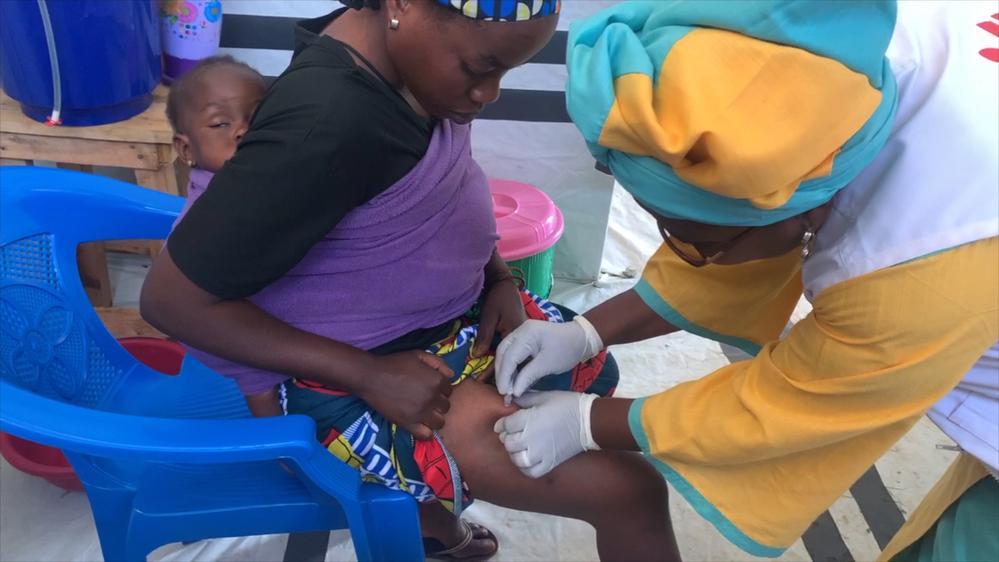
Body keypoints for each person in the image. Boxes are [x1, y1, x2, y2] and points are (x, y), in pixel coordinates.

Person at [141, 0, 678, 560]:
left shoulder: (402, 65)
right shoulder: (328, 125)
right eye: (480, 68)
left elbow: (448, 193)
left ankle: (431, 532)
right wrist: (369, 374)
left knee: (583, 369)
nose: (490, 92)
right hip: (356, 381)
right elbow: (171, 300)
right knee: (629, 490)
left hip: (446, 327)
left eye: (506, 71)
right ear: (400, 5)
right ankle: (428, 516)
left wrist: (496, 279)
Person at [493, 0, 998, 559]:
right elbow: (739, 231)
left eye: (697, 243)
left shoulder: (921, 270)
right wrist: (585, 332)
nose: (681, 251)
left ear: (806, 215)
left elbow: (794, 403)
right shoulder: (826, 64)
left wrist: (588, 423)